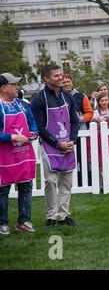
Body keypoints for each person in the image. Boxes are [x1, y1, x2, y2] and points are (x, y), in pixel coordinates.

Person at [31, 64, 79, 227]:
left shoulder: (68, 97)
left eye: (61, 75)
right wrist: (58, 144)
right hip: (50, 146)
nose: (61, 78)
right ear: (46, 78)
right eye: (57, 75)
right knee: (50, 181)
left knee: (66, 182)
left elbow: (74, 121)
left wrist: (72, 140)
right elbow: (40, 126)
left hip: (68, 144)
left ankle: (63, 215)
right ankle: (51, 216)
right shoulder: (39, 99)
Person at [0, 73, 38, 235]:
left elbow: (32, 123)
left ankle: (24, 221)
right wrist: (12, 137)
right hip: (4, 156)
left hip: (23, 154)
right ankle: (2, 223)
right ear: (3, 87)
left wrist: (34, 133)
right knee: (3, 190)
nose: (17, 87)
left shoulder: (23, 105)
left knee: (26, 187)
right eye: (13, 84)